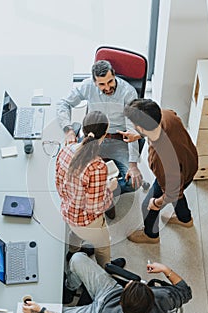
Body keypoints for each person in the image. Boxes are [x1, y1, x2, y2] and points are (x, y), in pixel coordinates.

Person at [22, 252, 192, 313]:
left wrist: (41, 312)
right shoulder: (161, 297)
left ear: (121, 301)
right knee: (78, 259)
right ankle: (70, 289)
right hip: (110, 294)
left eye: (129, 286)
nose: (131, 281)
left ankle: (66, 294)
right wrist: (165, 269)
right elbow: (185, 290)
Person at [57, 60, 145, 219]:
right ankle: (102, 195)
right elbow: (63, 103)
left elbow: (131, 128)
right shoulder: (87, 86)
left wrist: (133, 165)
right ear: (94, 82)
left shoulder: (128, 92)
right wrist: (68, 130)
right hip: (94, 137)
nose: (107, 87)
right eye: (102, 84)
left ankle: (108, 191)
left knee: (134, 182)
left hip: (119, 140)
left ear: (114, 75)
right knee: (75, 173)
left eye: (110, 81)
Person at [117, 98, 198, 244]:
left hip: (174, 175)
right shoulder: (167, 115)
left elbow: (173, 191)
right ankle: (185, 219)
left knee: (147, 206)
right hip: (190, 163)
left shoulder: (160, 159)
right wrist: (139, 135)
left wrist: (158, 202)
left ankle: (150, 235)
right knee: (179, 192)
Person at [56, 110, 125, 268]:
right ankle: (105, 269)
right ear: (105, 134)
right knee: (102, 245)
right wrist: (109, 189)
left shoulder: (65, 150)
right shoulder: (98, 166)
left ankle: (72, 252)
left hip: (68, 212)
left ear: (82, 129)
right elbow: (95, 207)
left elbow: (59, 183)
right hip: (88, 221)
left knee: (75, 234)